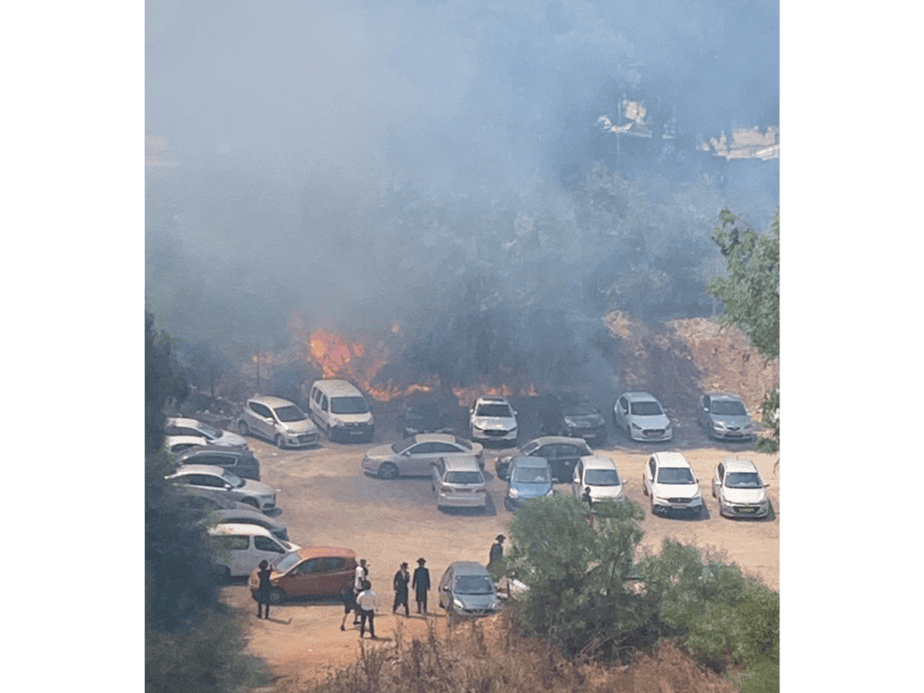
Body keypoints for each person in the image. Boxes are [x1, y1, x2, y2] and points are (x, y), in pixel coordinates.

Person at [353, 558, 369, 624]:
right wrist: (364, 585)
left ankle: (356, 618)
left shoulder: (357, 568)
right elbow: (360, 578)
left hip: (356, 586)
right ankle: (361, 617)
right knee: (362, 603)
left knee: (358, 603)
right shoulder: (361, 570)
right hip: (360, 587)